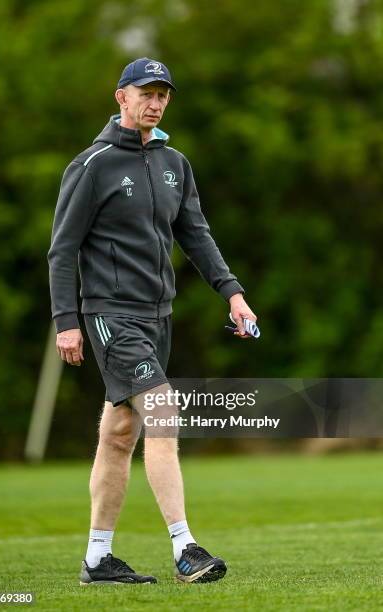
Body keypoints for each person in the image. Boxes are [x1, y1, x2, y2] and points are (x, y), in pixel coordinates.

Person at [48, 57, 257, 585]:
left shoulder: (174, 164)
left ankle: (98, 558)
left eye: (163, 94)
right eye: (146, 92)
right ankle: (186, 549)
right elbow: (62, 249)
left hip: (157, 316)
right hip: (109, 315)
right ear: (121, 97)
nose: (156, 101)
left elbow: (196, 235)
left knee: (120, 432)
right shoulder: (92, 165)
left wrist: (232, 293)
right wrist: (65, 319)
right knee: (163, 411)